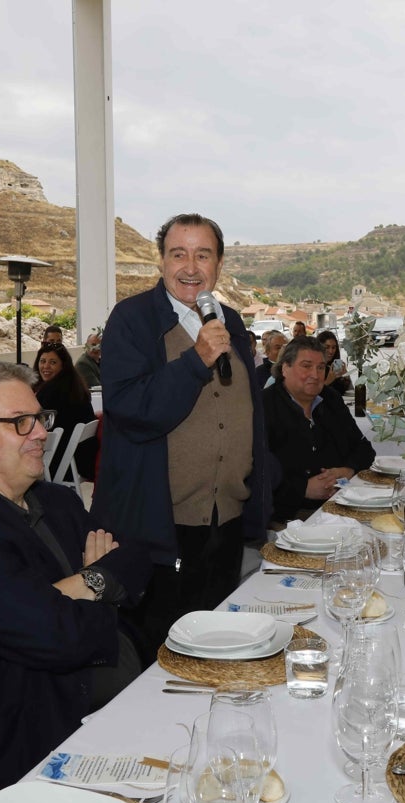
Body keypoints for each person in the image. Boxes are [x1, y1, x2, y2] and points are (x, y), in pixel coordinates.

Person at [0, 362, 149, 803]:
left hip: (107, 713)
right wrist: (100, 587)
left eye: (40, 418)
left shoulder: (58, 500)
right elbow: (58, 638)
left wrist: (85, 582)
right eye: (20, 422)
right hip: (27, 758)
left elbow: (138, 560)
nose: (41, 433)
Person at [93, 212, 269, 663]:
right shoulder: (131, 320)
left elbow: (247, 413)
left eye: (202, 255)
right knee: (162, 655)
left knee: (217, 648)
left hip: (224, 522)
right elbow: (131, 412)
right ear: (161, 262)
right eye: (178, 254)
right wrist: (197, 360)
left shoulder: (227, 319)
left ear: (219, 265)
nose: (190, 267)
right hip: (160, 528)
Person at [262, 337, 375, 523]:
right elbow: (255, 473)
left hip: (342, 507)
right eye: (306, 366)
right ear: (285, 368)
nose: (315, 374)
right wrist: (303, 489)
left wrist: (347, 470)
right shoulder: (264, 407)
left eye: (321, 367)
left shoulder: (331, 399)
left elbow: (364, 449)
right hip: (287, 519)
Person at [33, 342, 98, 479]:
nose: (45, 366)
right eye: (42, 361)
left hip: (59, 463)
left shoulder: (51, 392)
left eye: (53, 362)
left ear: (63, 365)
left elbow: (37, 426)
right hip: (78, 460)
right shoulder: (75, 387)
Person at [315, 329, 352, 395]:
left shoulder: (333, 366)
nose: (331, 351)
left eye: (333, 347)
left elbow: (346, 391)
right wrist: (328, 381)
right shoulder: (314, 368)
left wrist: (346, 377)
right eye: (327, 347)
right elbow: (312, 395)